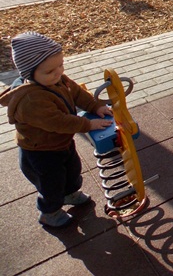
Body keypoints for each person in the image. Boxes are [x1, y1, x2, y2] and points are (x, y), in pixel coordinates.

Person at [0, 32, 113, 228]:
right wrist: (88, 124)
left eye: (61, 65)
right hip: (40, 151)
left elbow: (77, 93)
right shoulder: (31, 100)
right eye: (50, 70)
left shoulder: (56, 79)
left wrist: (95, 106)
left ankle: (70, 193)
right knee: (50, 184)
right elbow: (58, 122)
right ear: (29, 73)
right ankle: (49, 212)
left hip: (60, 142)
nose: (58, 72)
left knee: (72, 169)